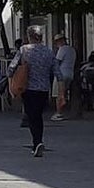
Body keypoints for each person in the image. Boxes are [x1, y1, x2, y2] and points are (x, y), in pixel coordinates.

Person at [10, 26, 57, 157]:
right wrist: (61, 92)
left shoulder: (24, 50)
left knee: (32, 116)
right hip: (43, 89)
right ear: (41, 37)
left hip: (28, 88)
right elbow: (57, 72)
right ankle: (38, 142)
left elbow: (11, 68)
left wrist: (11, 85)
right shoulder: (49, 51)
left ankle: (37, 142)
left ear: (29, 36)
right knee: (38, 116)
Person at [51, 33, 77, 122]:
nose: (56, 44)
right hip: (70, 73)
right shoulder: (72, 49)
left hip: (61, 74)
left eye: (56, 42)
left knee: (58, 94)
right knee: (63, 93)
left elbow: (57, 62)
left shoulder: (62, 49)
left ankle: (59, 113)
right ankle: (61, 110)